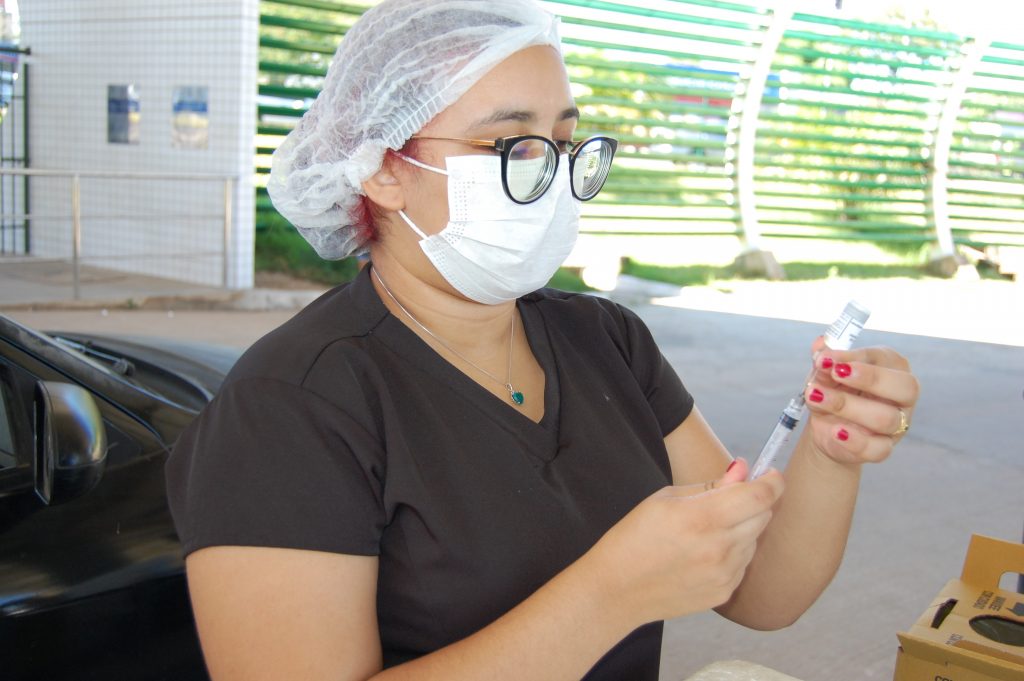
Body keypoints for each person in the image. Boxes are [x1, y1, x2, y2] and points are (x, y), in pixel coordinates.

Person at [165, 1, 920, 680]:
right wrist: (610, 593)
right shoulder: (288, 409)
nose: (553, 176)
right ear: (383, 171)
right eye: (510, 144)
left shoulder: (604, 340)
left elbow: (760, 590)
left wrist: (832, 447)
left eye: (563, 139)